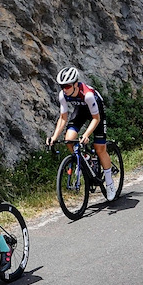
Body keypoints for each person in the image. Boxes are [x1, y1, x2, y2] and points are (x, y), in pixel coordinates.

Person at [42, 67, 117, 201]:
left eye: (67, 86)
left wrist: (86, 134)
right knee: (69, 140)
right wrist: (54, 137)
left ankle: (110, 184)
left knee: (100, 148)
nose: (64, 89)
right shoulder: (63, 95)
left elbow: (96, 119)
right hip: (81, 110)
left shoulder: (87, 94)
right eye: (62, 86)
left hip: (96, 112)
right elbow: (63, 118)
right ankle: (86, 159)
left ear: (75, 84)